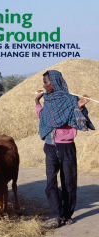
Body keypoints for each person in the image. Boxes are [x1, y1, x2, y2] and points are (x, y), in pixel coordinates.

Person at [35, 70, 95, 228]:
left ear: (54, 82)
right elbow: (44, 118)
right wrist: (37, 102)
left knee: (69, 182)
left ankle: (67, 215)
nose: (44, 85)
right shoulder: (47, 100)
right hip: (49, 146)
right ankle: (56, 215)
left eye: (46, 82)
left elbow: (81, 124)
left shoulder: (71, 100)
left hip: (66, 146)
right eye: (44, 82)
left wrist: (79, 107)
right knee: (50, 183)